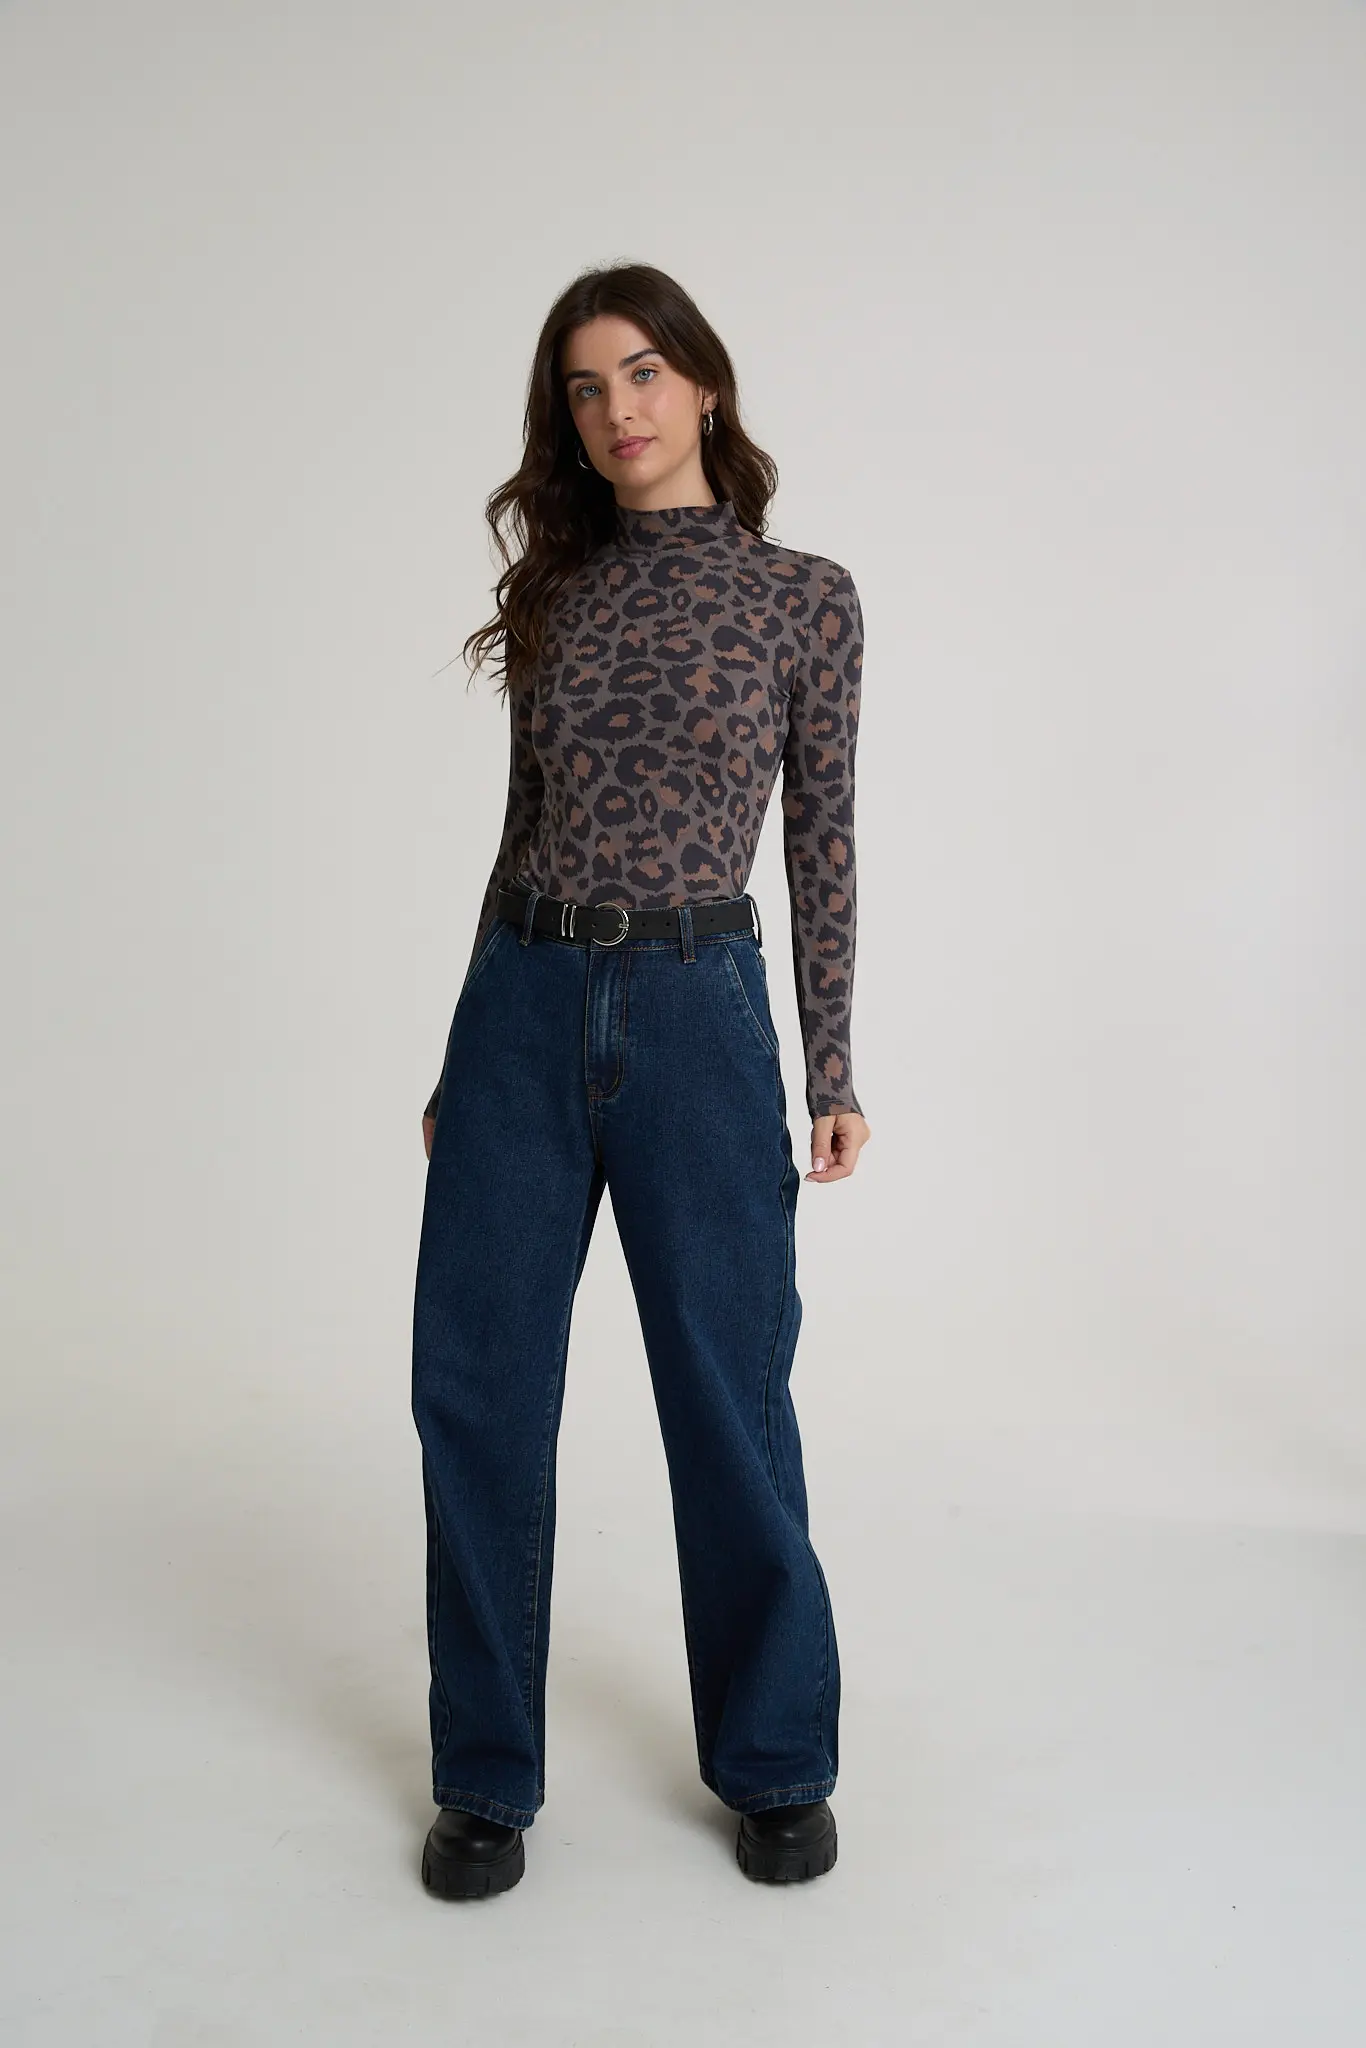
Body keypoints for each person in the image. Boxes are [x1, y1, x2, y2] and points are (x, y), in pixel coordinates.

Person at [412, 262, 870, 1898]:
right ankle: (484, 1776)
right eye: (586, 386)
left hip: (695, 1010)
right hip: (522, 1006)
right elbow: (517, 831)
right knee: (473, 1389)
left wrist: (831, 1062)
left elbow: (821, 839)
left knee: (727, 1397)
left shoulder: (802, 596)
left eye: (643, 372)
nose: (617, 408)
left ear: (703, 384)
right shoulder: (555, 592)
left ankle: (775, 1759)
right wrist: (460, 1050)